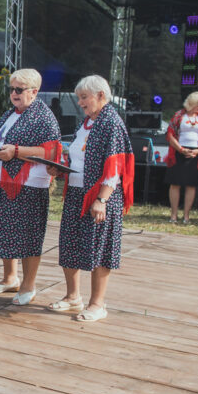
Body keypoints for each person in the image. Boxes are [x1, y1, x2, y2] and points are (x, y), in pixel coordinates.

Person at [51, 75, 134, 323]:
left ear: (100, 95)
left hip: (99, 196)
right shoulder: (88, 122)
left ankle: (97, 304)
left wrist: (102, 200)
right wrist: (60, 167)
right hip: (77, 193)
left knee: (99, 248)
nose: (80, 103)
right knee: (69, 244)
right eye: (79, 98)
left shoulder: (111, 122)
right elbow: (77, 155)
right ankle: (72, 296)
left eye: (84, 97)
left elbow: (115, 166)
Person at [0, 68, 61, 305]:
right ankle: (10, 278)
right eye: (12, 89)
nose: (13, 93)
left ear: (34, 92)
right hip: (2, 179)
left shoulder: (44, 116)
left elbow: (52, 151)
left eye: (19, 89)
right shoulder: (9, 114)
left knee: (27, 235)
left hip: (29, 184)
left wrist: (16, 151)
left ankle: (28, 285)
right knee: (6, 232)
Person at [164, 91, 198, 225]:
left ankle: (186, 216)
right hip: (179, 151)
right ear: (192, 104)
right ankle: (173, 215)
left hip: (195, 152)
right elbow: (170, 134)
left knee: (191, 185)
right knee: (175, 183)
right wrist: (180, 149)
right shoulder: (179, 115)